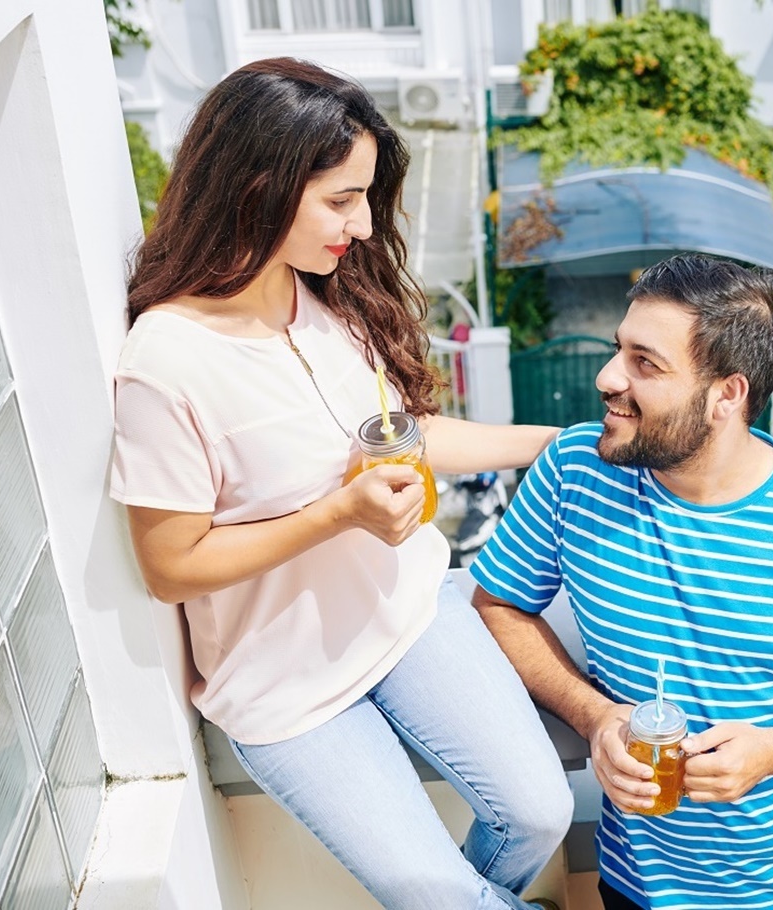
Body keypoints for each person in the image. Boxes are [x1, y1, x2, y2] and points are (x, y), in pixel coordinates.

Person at [110, 58, 570, 910]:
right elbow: (171, 563)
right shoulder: (163, 362)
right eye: (338, 199)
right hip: (281, 682)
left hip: (409, 611)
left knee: (541, 816)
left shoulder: (327, 294)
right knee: (428, 889)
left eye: (364, 197)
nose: (360, 225)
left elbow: (407, 436)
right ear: (259, 185)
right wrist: (336, 515)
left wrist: (551, 441)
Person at [469, 254, 773, 910]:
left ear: (726, 394)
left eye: (645, 363)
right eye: (617, 350)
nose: (607, 378)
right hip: (639, 886)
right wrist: (596, 716)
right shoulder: (574, 472)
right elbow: (498, 605)